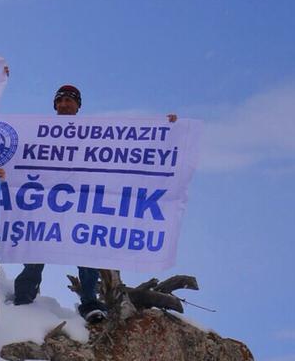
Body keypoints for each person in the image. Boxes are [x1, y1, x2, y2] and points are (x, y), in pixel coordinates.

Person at [12, 85, 179, 324]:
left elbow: (128, 147)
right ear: (55, 105)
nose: (65, 104)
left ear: (78, 105)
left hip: (82, 203)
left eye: (70, 100)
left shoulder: (92, 134)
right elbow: (19, 156)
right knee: (37, 249)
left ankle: (90, 303)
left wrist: (166, 128)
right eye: (61, 101)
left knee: (87, 252)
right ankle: (24, 296)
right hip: (48, 202)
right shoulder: (40, 133)